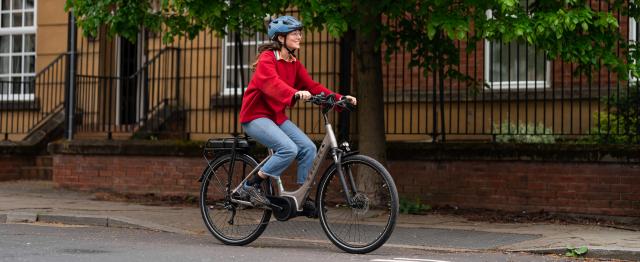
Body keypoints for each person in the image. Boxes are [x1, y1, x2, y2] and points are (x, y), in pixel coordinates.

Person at [237, 16, 357, 206]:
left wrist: (339, 98)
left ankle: (301, 197)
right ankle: (251, 185)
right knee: (288, 149)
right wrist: (294, 93)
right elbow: (271, 83)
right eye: (294, 33)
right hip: (255, 117)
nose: (299, 37)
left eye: (299, 33)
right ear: (281, 38)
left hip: (276, 117)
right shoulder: (267, 59)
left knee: (308, 148)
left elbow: (313, 86)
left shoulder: (294, 63)